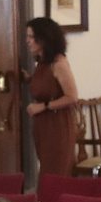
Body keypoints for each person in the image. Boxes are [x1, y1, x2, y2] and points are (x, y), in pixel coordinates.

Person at [24, 17, 78, 179]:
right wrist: (26, 78)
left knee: (54, 172)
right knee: (47, 168)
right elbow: (45, 86)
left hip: (57, 125)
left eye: (31, 37)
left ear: (43, 38)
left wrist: (44, 106)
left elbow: (72, 96)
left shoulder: (58, 63)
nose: (27, 41)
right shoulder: (42, 63)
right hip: (43, 125)